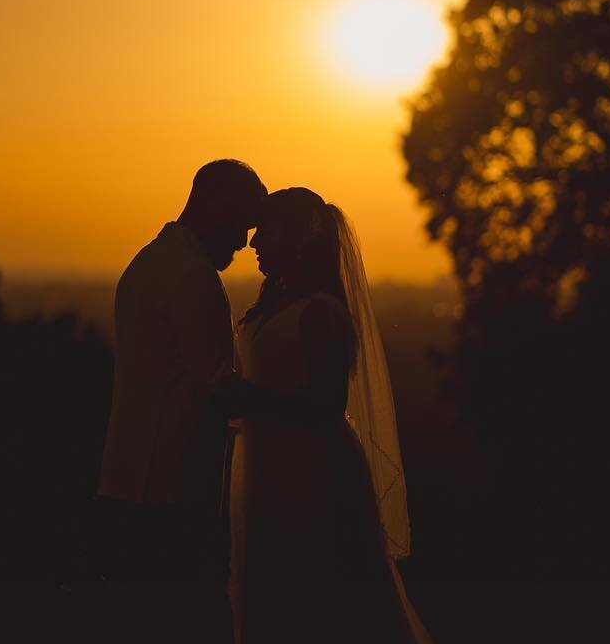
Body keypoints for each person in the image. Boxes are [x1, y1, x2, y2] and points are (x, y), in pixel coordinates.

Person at [229, 187, 434, 643]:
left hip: (311, 472)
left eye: (265, 231)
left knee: (319, 598)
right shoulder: (271, 306)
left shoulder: (322, 315)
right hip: (266, 467)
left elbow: (325, 406)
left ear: (297, 238)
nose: (255, 243)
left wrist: (244, 398)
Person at [93, 159, 267, 643]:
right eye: (241, 225)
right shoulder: (193, 275)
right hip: (170, 487)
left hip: (123, 479)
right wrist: (298, 407)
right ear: (217, 205)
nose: (242, 243)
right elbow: (218, 389)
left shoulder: (146, 262)